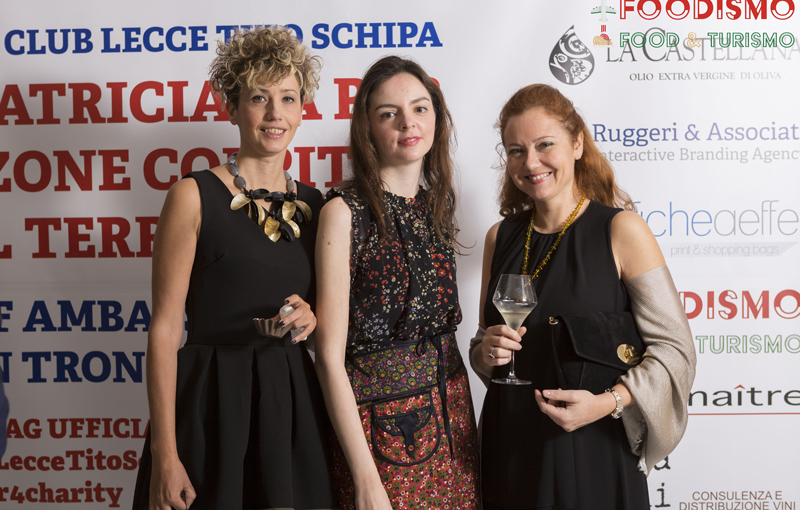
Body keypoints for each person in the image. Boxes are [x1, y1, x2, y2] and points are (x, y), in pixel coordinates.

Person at [132, 26, 335, 510]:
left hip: (292, 407)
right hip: (211, 405)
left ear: (302, 109)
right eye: (259, 98)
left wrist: (313, 317)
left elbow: (330, 328)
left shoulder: (317, 206)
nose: (275, 113)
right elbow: (164, 330)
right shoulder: (192, 195)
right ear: (231, 107)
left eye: (288, 98)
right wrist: (165, 454)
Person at [470, 84, 696, 510]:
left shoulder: (622, 230)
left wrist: (609, 403)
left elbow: (676, 350)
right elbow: (483, 350)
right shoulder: (499, 237)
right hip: (510, 446)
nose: (530, 162)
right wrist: (485, 353)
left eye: (545, 145)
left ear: (577, 144)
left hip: (593, 450)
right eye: (516, 150)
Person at [315, 56, 480, 510]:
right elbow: (328, 358)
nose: (408, 123)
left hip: (454, 421)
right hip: (381, 431)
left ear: (436, 118)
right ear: (367, 128)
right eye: (389, 113)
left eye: (420, 108)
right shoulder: (344, 212)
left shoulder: (436, 206)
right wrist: (365, 476)